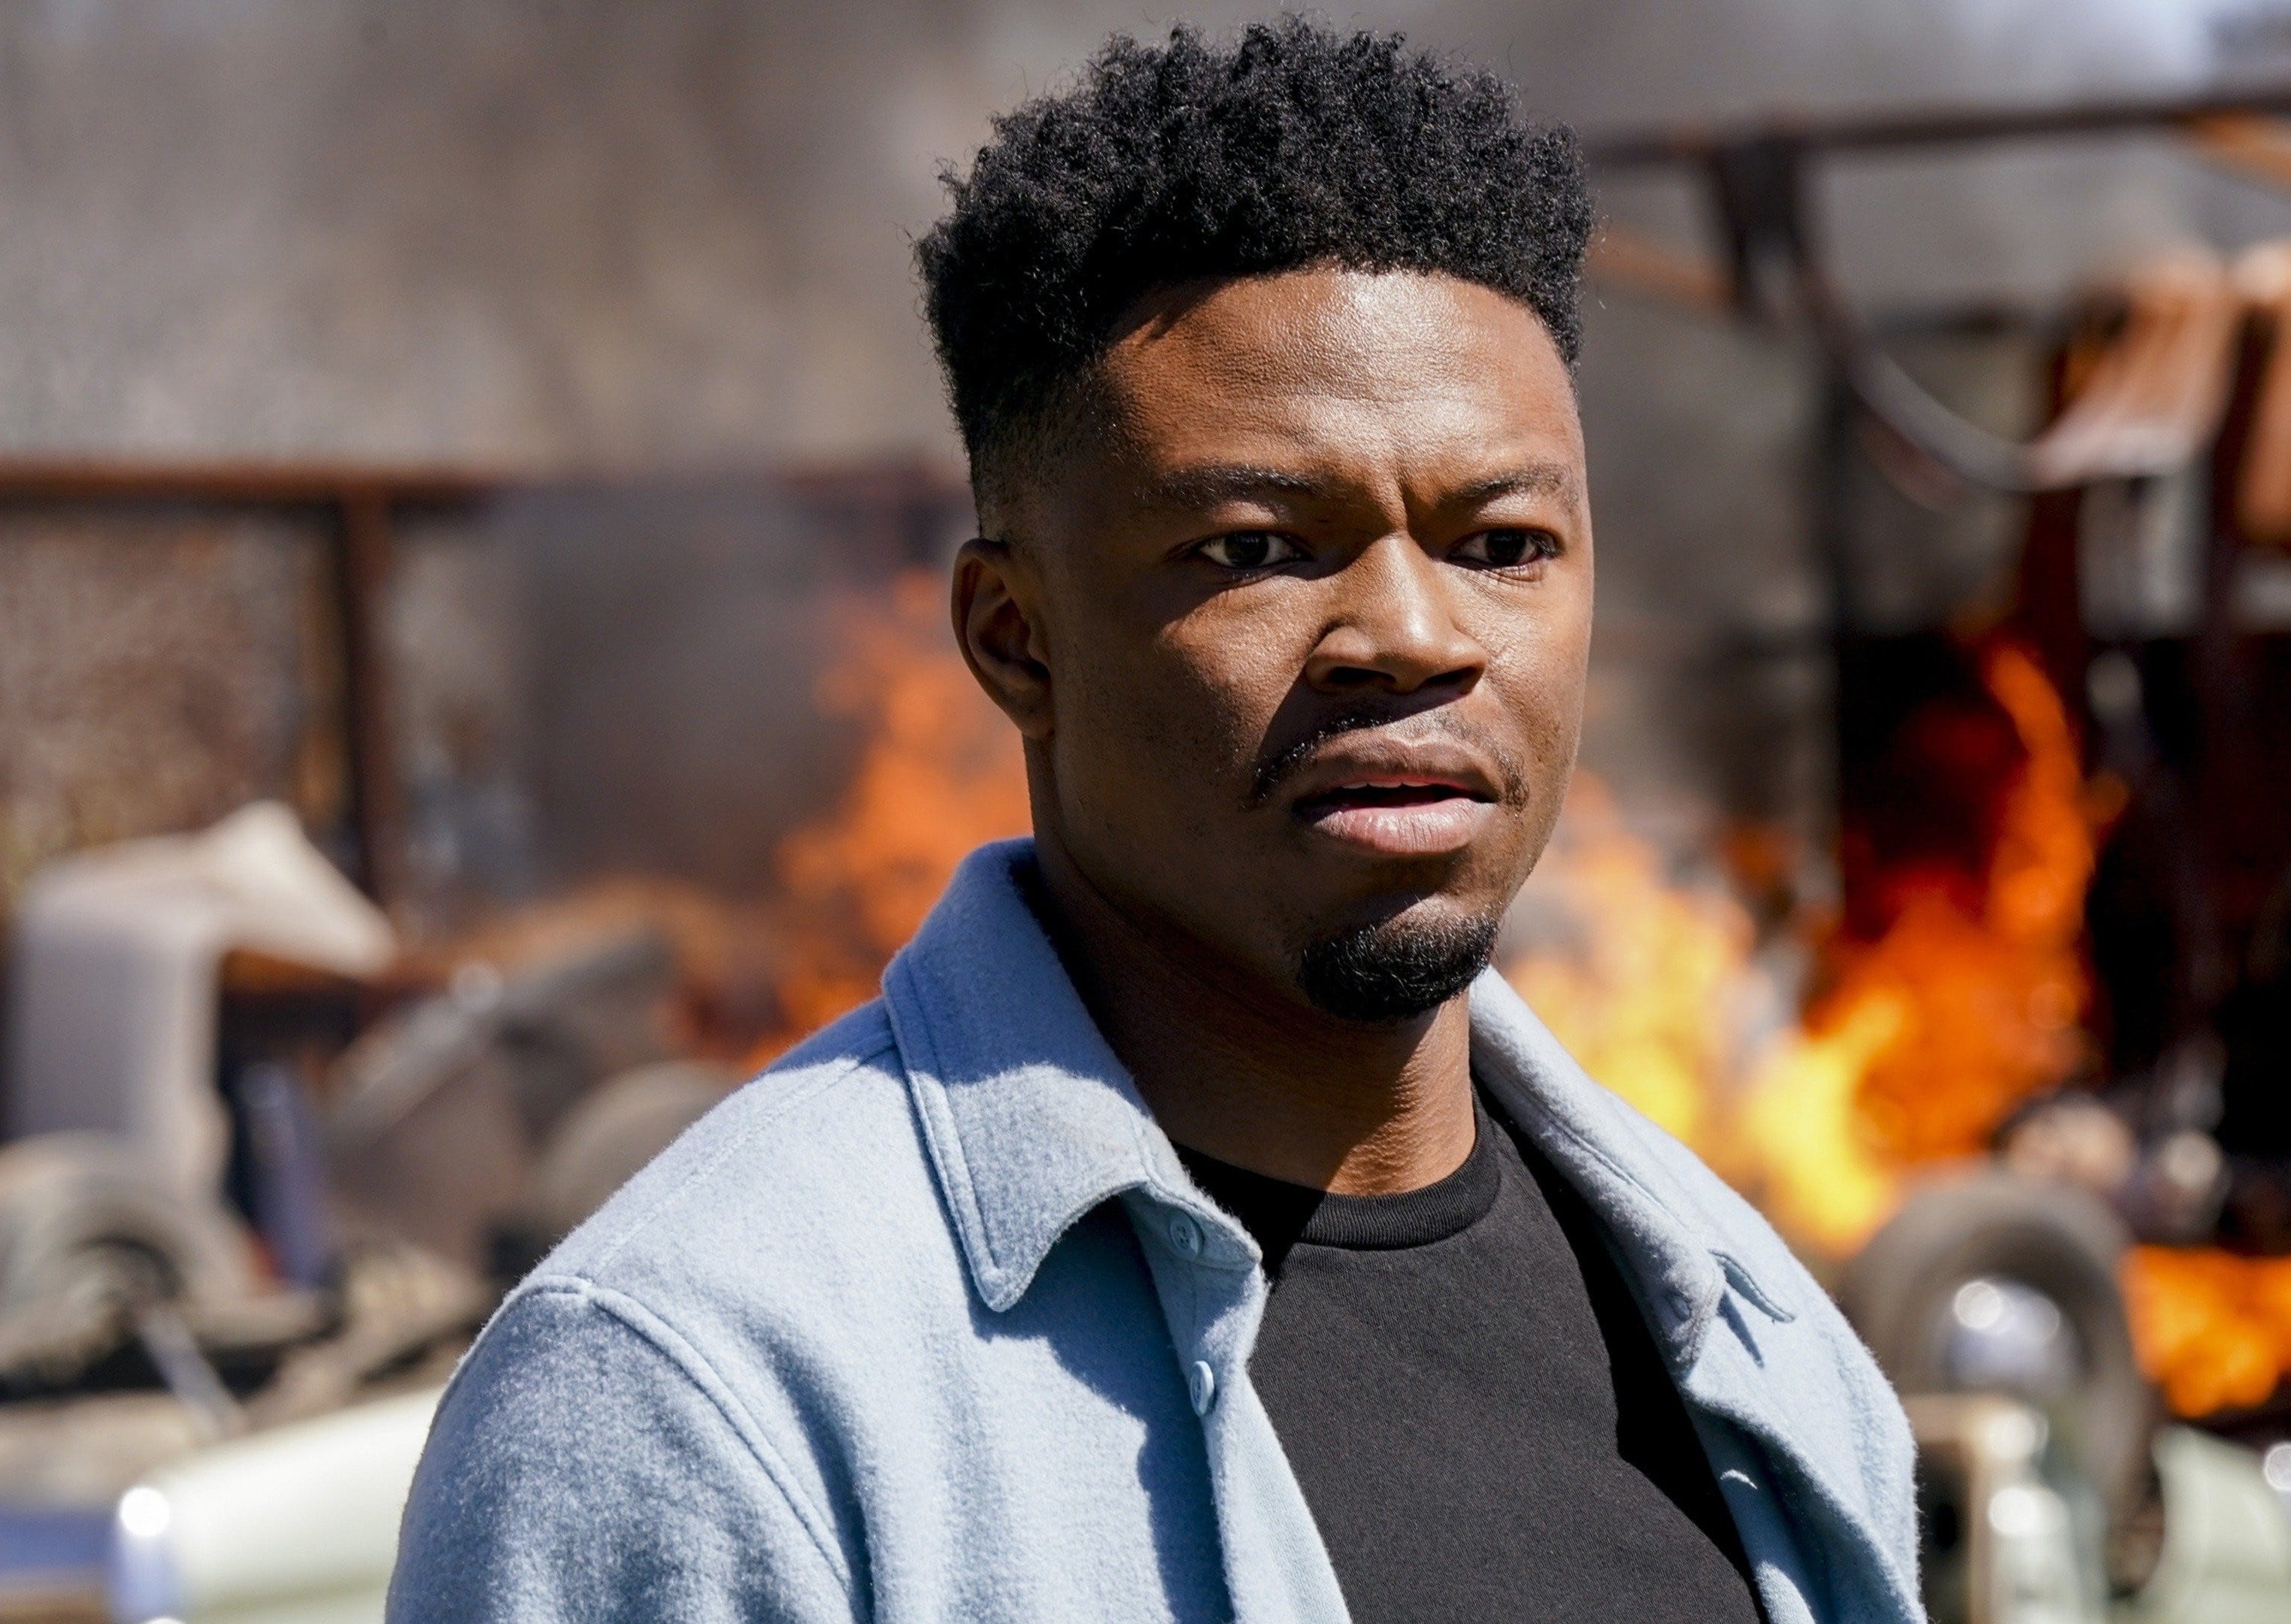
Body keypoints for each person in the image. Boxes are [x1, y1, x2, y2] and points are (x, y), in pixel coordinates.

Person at [389, 20, 1921, 1624]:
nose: (1415, 635)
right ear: (1014, 640)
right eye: (1257, 549)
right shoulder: (708, 1395)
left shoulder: (1754, 1340)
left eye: (1503, 545)